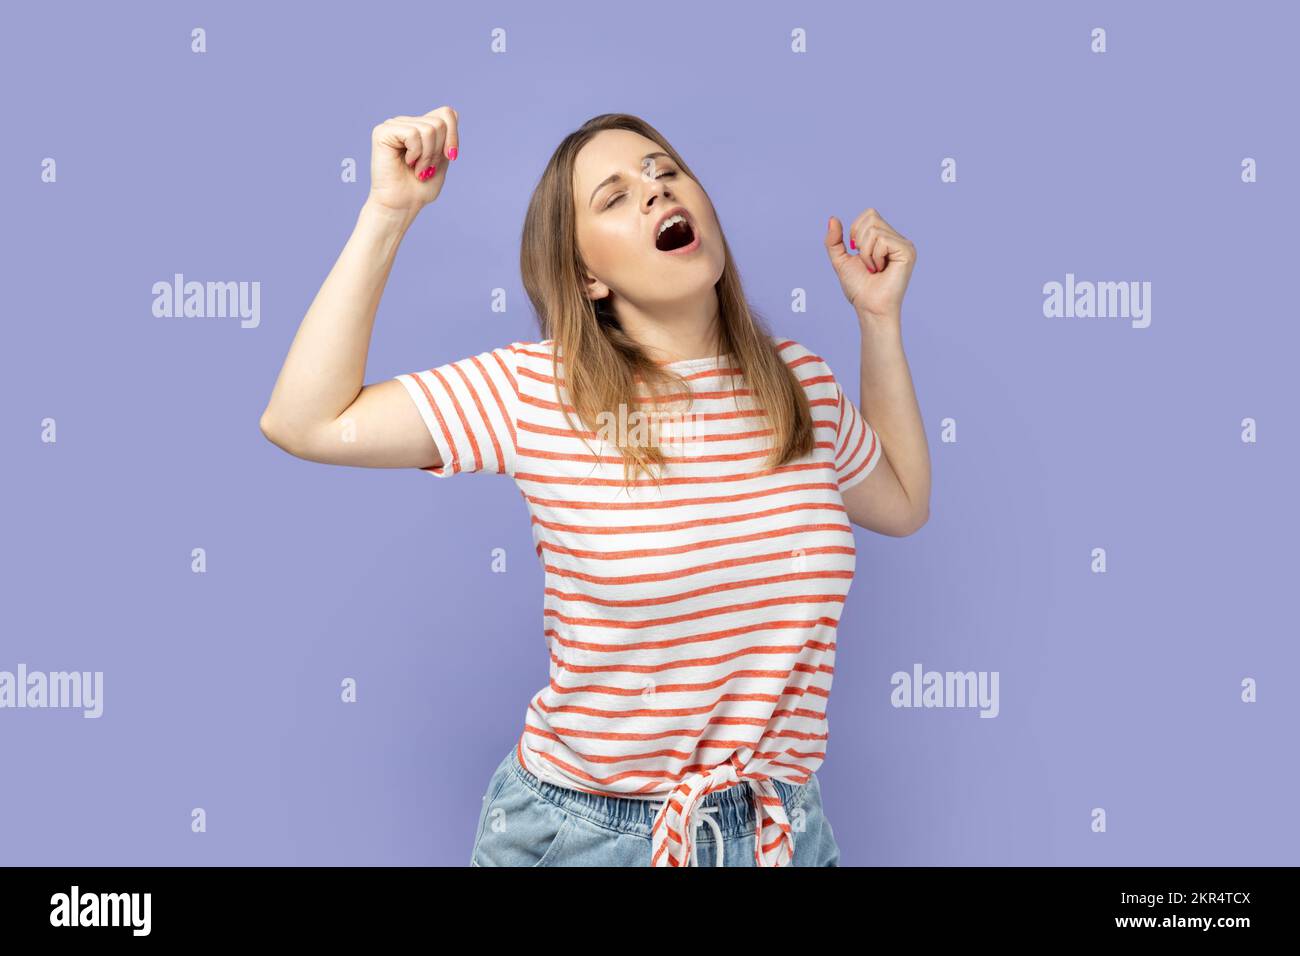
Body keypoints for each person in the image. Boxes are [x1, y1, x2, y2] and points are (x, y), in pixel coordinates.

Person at [259, 107, 931, 866]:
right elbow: (305, 421)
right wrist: (389, 211)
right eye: (613, 197)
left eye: (664, 172)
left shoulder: (796, 382)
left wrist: (879, 321)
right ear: (586, 275)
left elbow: (903, 502)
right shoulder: (540, 391)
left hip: (782, 833)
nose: (654, 192)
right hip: (586, 838)